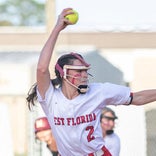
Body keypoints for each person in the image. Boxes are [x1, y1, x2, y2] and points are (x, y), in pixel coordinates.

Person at [26, 8, 156, 156]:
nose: (84, 75)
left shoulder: (99, 91)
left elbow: (137, 97)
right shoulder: (50, 97)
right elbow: (42, 68)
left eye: (85, 71)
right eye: (79, 71)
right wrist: (57, 29)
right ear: (63, 73)